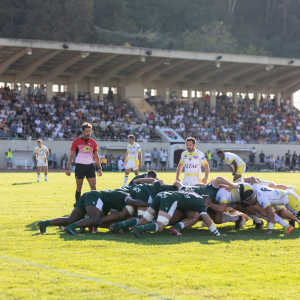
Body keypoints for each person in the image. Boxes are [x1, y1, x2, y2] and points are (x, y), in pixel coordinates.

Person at [131, 190, 226, 239]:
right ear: (206, 203)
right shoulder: (202, 203)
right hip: (170, 199)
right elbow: (208, 221)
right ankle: (138, 229)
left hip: (161, 195)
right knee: (160, 226)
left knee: (143, 220)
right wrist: (218, 234)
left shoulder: (195, 195)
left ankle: (119, 225)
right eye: (208, 206)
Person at [65, 123, 102, 202]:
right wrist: (68, 168)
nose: (88, 133)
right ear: (83, 131)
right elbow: (71, 155)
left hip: (90, 167)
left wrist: (99, 168)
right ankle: (78, 206)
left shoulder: (93, 142)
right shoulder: (76, 141)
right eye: (87, 131)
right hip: (80, 167)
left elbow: (96, 156)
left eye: (89, 131)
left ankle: (94, 204)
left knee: (93, 187)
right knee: (79, 187)